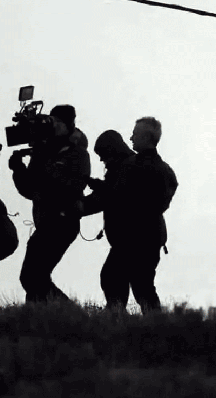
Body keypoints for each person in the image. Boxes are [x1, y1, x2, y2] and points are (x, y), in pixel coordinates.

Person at [82, 117, 178, 313]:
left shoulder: (137, 167)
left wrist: (103, 189)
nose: (131, 138)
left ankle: (124, 321)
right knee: (137, 285)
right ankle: (149, 326)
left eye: (134, 134)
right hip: (145, 238)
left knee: (124, 281)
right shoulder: (159, 168)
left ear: (144, 137)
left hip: (136, 239)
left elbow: (128, 200)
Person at [9, 104, 90, 303]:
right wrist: (18, 169)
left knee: (32, 277)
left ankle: (74, 317)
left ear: (68, 124)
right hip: (45, 222)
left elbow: (73, 187)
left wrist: (47, 166)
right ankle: (41, 323)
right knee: (33, 279)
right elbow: (30, 190)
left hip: (63, 221)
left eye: (57, 122)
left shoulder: (77, 153)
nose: (53, 127)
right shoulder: (45, 151)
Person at [77, 129, 135, 306]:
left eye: (102, 154)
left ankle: (117, 316)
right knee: (120, 278)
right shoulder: (123, 166)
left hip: (132, 236)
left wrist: (77, 207)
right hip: (129, 237)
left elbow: (111, 197)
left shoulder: (126, 168)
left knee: (113, 276)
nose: (101, 160)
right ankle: (118, 316)